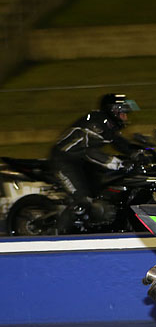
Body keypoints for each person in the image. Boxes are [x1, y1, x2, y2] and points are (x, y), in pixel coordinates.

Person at [50, 93, 138, 230]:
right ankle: (57, 234)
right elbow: (89, 152)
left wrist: (140, 152)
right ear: (113, 111)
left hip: (82, 162)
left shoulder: (108, 125)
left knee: (100, 191)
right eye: (123, 113)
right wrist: (119, 164)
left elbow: (120, 143)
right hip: (65, 161)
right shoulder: (96, 124)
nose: (125, 117)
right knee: (83, 200)